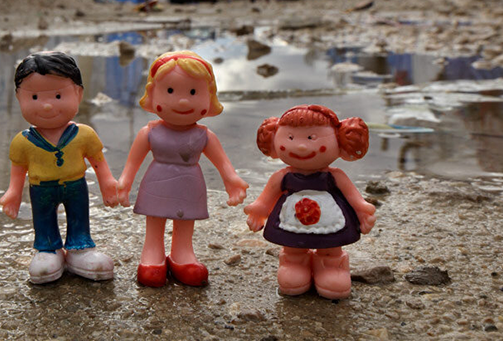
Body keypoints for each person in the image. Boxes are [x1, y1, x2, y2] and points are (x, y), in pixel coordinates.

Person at [117, 51, 249, 287]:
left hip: (190, 183)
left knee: (185, 220)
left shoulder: (205, 135)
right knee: (155, 220)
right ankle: (152, 255)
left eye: (193, 92)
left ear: (209, 98)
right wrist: (123, 184)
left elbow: (224, 165)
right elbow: (132, 164)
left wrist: (233, 181)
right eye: (169, 91)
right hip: (157, 181)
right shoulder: (149, 133)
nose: (183, 101)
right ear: (152, 94)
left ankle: (182, 254)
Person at [0, 51, 118, 284]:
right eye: (34, 97)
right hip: (41, 188)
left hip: (76, 185)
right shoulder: (23, 141)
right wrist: (13, 192)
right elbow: (18, 170)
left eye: (57, 95)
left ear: (78, 93)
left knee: (79, 215)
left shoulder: (83, 135)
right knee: (43, 218)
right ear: (18, 98)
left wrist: (108, 183)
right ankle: (47, 249)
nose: (46, 106)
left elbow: (98, 161)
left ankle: (79, 247)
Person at [244, 105, 376, 299]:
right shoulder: (283, 176)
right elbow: (267, 197)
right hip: (291, 218)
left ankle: (332, 267)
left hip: (331, 219)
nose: (301, 146)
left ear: (339, 140)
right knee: (293, 248)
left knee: (331, 248)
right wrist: (258, 209)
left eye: (311, 138)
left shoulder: (335, 176)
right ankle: (293, 263)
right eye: (290, 138)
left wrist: (362, 209)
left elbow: (353, 197)